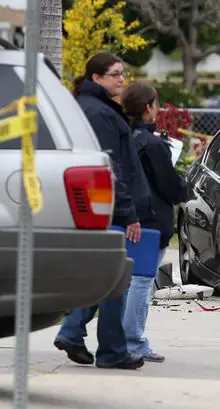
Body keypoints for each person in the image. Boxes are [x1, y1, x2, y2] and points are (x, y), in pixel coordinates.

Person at [53, 52, 154, 370]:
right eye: (114, 74)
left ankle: (75, 333)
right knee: (117, 279)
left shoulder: (99, 108)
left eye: (123, 73)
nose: (121, 79)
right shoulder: (98, 113)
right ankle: (111, 350)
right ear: (96, 78)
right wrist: (129, 214)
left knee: (105, 277)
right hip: (108, 208)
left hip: (105, 205)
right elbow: (111, 168)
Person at [120, 82, 189, 363]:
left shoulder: (125, 137)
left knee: (128, 280)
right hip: (152, 218)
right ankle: (134, 340)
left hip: (129, 215)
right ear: (148, 107)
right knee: (141, 281)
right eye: (156, 104)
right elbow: (169, 185)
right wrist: (185, 188)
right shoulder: (152, 143)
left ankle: (124, 338)